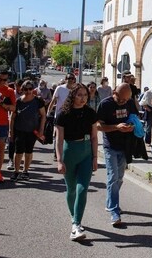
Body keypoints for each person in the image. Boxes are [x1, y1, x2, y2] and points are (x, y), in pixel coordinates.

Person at [55, 83, 98, 241]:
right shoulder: (63, 114)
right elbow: (59, 140)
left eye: (85, 95)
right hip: (69, 152)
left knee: (82, 189)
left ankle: (76, 225)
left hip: (86, 152)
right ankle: (74, 217)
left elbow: (94, 137)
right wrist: (60, 161)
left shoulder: (90, 113)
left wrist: (95, 158)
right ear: (73, 95)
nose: (83, 98)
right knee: (71, 189)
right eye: (79, 95)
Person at [96, 83, 138, 226]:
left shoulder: (130, 103)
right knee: (113, 177)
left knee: (119, 178)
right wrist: (116, 127)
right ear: (114, 92)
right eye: (121, 100)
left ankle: (110, 202)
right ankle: (114, 211)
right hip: (110, 146)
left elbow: (134, 119)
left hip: (125, 146)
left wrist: (132, 126)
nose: (123, 103)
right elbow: (98, 126)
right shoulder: (105, 104)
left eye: (126, 100)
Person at [9, 80, 46, 181]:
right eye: (26, 89)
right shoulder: (18, 101)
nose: (28, 91)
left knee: (29, 151)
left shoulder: (38, 101)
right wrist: (11, 132)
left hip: (32, 130)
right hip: (19, 129)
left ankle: (25, 171)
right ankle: (16, 172)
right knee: (18, 151)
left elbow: (43, 115)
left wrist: (41, 130)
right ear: (22, 90)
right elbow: (12, 118)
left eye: (30, 89)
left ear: (33, 89)